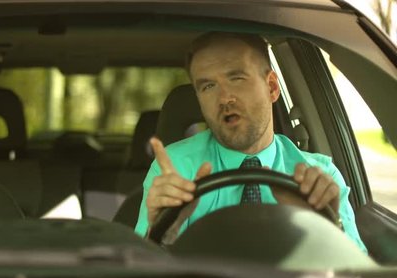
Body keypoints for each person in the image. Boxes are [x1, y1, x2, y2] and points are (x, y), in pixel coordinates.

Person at [134, 32, 367, 253]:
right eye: (208, 86)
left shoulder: (319, 176)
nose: (224, 98)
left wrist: (328, 228)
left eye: (237, 78)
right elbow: (139, 277)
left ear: (272, 87)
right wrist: (160, 235)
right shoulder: (176, 169)